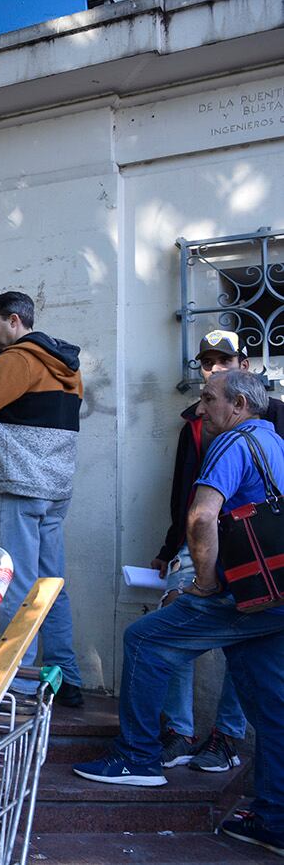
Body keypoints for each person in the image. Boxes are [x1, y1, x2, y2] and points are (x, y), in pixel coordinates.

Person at [73, 370, 284, 856]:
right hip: (274, 597)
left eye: (209, 399)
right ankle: (274, 818)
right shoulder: (275, 442)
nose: (200, 408)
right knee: (271, 705)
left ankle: (137, 758)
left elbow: (201, 515)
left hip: (243, 593)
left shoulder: (233, 443)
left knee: (145, 639)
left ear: (239, 406)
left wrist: (204, 585)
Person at [0, 291, 85, 708]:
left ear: (14, 320)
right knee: (50, 586)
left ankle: (17, 682)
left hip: (18, 486)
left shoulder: (18, 359)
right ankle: (66, 677)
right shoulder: (66, 366)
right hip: (54, 488)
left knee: (15, 585)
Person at [149, 330, 279, 772]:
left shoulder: (270, 415)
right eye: (207, 362)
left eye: (223, 360)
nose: (214, 368)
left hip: (257, 549)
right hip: (199, 539)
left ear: (243, 364)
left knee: (244, 644)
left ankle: (226, 736)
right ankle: (180, 732)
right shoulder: (196, 418)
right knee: (173, 624)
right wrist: (171, 546)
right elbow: (185, 490)